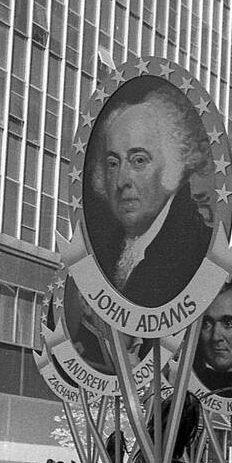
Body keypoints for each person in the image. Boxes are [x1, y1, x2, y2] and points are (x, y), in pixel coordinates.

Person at [87, 76, 213, 308]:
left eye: (139, 160)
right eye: (113, 163)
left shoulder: (198, 249)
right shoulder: (100, 254)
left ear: (174, 165)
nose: (122, 181)